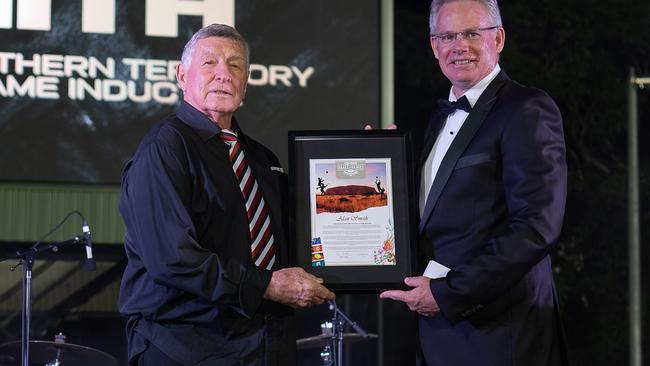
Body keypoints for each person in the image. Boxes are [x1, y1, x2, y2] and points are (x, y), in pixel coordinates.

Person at [118, 24, 335, 366]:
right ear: (181, 75)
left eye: (235, 66)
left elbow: (306, 241)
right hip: (185, 348)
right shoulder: (165, 148)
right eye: (209, 63)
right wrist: (267, 285)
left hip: (264, 347)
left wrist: (366, 161)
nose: (223, 74)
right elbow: (173, 259)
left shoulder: (263, 161)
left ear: (246, 82)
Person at [380, 1, 569, 365]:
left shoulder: (526, 108)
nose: (459, 45)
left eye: (471, 33)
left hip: (501, 335)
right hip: (439, 334)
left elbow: (536, 227)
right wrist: (377, 169)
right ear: (434, 46)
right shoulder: (435, 120)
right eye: (448, 36)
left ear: (498, 38)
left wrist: (450, 294)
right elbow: (432, 215)